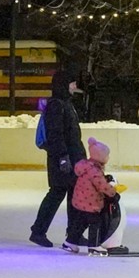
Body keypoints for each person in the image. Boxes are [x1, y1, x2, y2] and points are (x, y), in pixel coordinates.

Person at [28, 69, 85, 248]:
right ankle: (38, 231)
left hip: (73, 158)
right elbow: (56, 135)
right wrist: (62, 157)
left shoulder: (66, 104)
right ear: (63, 84)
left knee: (74, 196)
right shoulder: (56, 105)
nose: (75, 86)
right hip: (62, 159)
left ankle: (73, 233)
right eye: (72, 82)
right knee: (56, 194)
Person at [65, 137, 134, 256]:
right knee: (95, 224)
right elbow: (102, 186)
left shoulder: (86, 166)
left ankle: (70, 242)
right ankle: (94, 246)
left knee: (80, 224)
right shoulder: (94, 171)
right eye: (107, 156)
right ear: (101, 157)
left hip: (80, 201)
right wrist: (113, 192)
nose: (108, 158)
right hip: (90, 203)